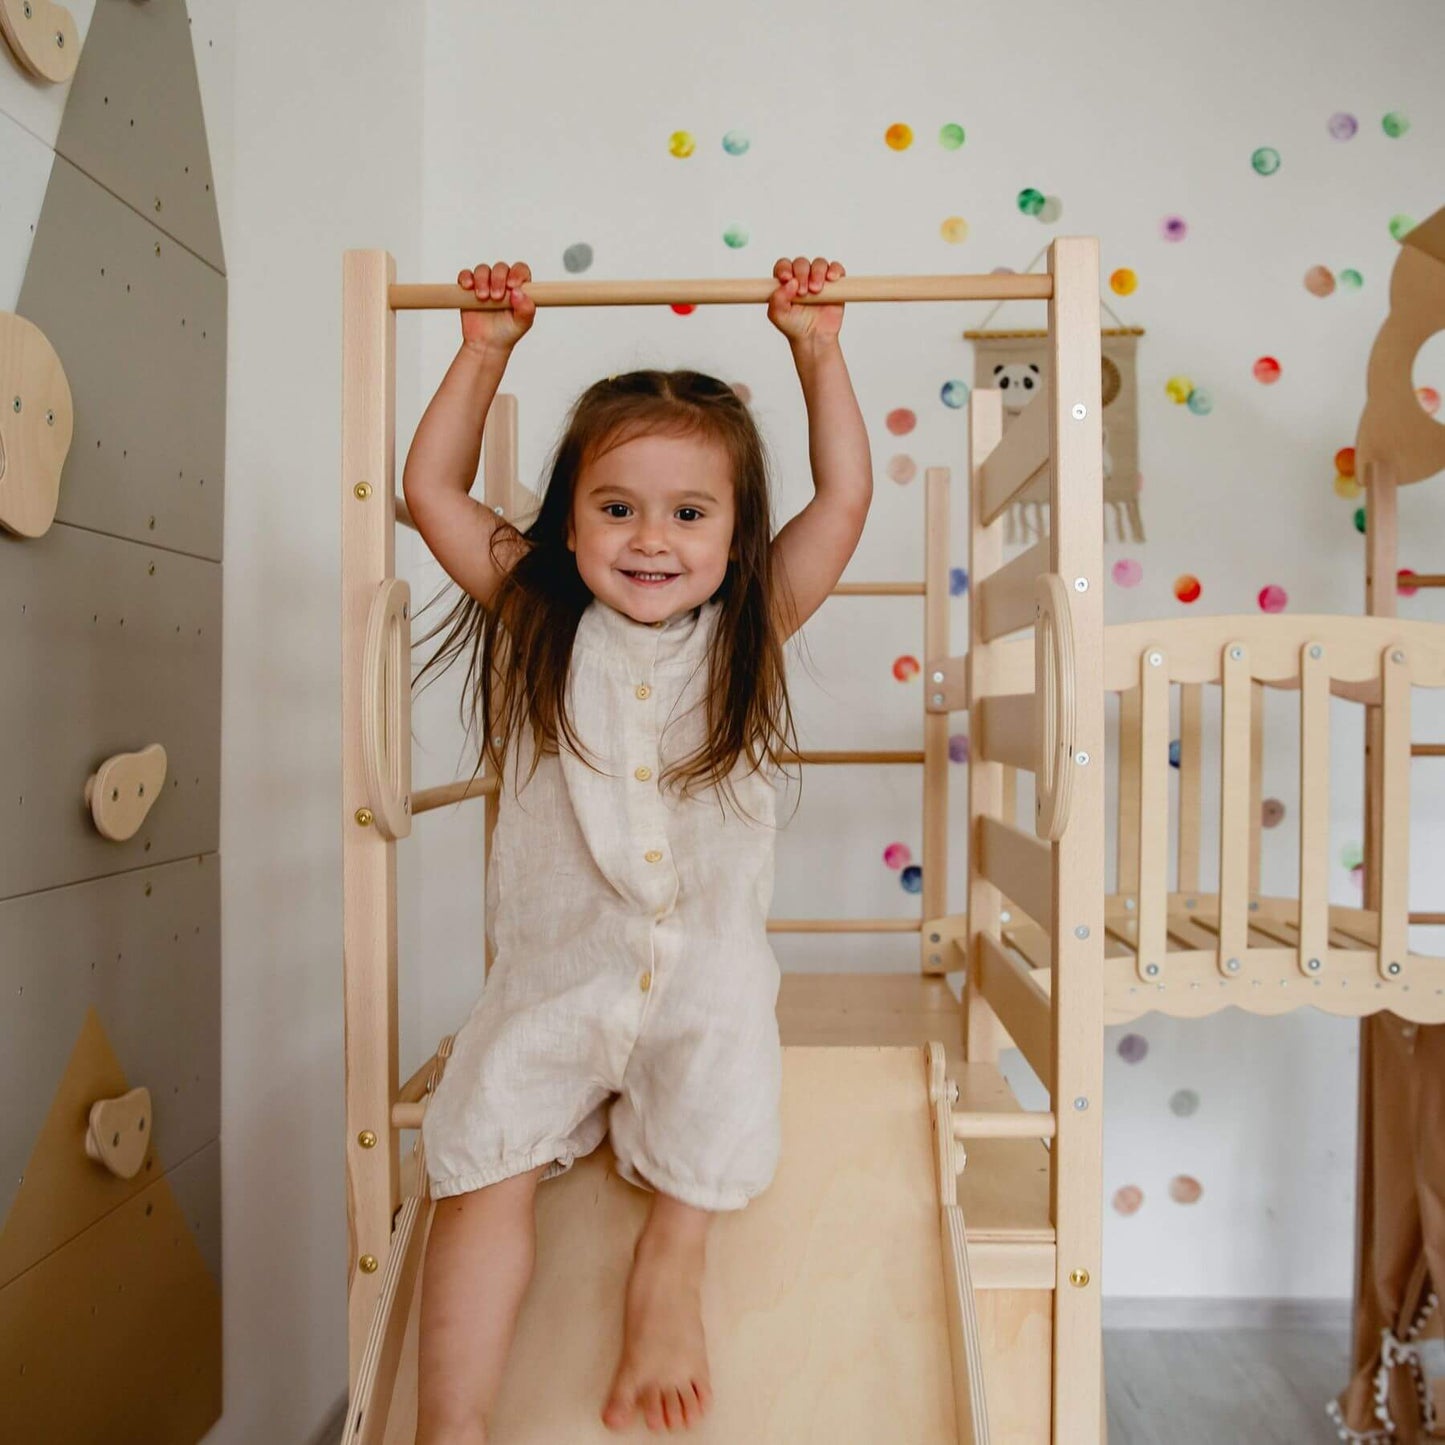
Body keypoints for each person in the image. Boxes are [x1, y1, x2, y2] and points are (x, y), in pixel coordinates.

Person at [404, 255, 871, 1441]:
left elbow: (843, 501)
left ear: (734, 532)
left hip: (703, 969)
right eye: (616, 507)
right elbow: (431, 490)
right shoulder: (539, 617)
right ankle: (447, 1420)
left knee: (727, 1067)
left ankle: (670, 1261)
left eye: (689, 513)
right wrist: (482, 351)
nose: (650, 538)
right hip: (557, 974)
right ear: (568, 522)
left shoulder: (748, 626)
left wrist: (816, 351)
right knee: (478, 1152)